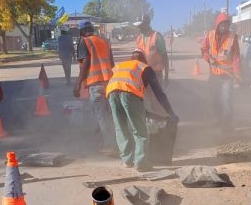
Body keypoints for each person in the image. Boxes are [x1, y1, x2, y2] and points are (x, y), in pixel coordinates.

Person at [106, 49, 177, 171]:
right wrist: (171, 112)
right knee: (140, 130)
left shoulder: (121, 65)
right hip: (129, 93)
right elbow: (159, 94)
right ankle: (141, 163)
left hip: (111, 92)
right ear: (144, 59)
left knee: (121, 128)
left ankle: (127, 161)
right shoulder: (145, 68)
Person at [74, 21, 117, 155]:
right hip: (109, 83)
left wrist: (78, 84)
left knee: (101, 116)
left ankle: (110, 146)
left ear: (81, 32)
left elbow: (86, 62)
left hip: (95, 84)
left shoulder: (84, 42)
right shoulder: (104, 41)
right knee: (110, 115)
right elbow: (112, 62)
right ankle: (116, 141)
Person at [201, 12, 241, 132]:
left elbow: (236, 57)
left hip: (227, 76)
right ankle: (220, 120)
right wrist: (208, 59)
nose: (224, 27)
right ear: (217, 25)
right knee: (215, 100)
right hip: (214, 75)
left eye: (226, 24)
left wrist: (238, 74)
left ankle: (227, 125)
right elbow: (203, 50)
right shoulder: (210, 35)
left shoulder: (233, 37)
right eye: (221, 25)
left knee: (226, 100)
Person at [134, 15, 169, 82]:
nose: (139, 28)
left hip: (156, 74)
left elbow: (165, 57)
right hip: (143, 74)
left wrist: (166, 77)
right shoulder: (139, 38)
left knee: (156, 92)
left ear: (147, 24)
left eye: (141, 26)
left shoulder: (157, 36)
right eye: (138, 26)